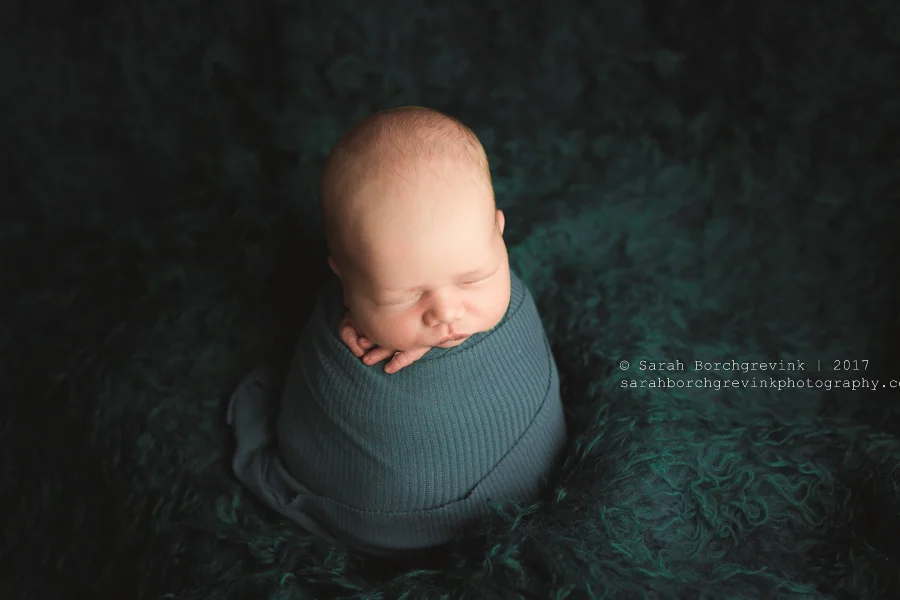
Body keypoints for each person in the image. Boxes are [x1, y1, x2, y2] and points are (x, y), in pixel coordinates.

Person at [227, 106, 567, 558]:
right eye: (404, 296)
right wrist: (358, 320)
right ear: (344, 278)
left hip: (521, 489)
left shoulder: (500, 293)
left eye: (472, 278)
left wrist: (388, 315)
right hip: (383, 517)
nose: (447, 314)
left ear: (498, 232)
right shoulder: (348, 328)